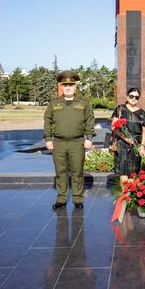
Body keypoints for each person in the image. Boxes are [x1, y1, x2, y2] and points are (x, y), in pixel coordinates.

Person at [44, 70, 95, 210]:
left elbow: (90, 121)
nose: (68, 87)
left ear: (75, 87)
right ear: (61, 86)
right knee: (60, 171)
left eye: (70, 85)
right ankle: (61, 198)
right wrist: (48, 139)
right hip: (59, 142)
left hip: (77, 142)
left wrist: (89, 138)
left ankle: (78, 198)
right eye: (65, 85)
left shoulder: (84, 103)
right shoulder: (53, 104)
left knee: (77, 171)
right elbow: (47, 121)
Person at [111, 87, 145, 176]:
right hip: (122, 144)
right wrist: (126, 138)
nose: (134, 99)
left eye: (136, 97)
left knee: (133, 173)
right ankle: (124, 190)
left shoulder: (142, 113)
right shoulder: (120, 109)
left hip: (136, 145)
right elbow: (113, 127)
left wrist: (142, 146)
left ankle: (130, 190)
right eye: (131, 96)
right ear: (127, 97)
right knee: (123, 173)